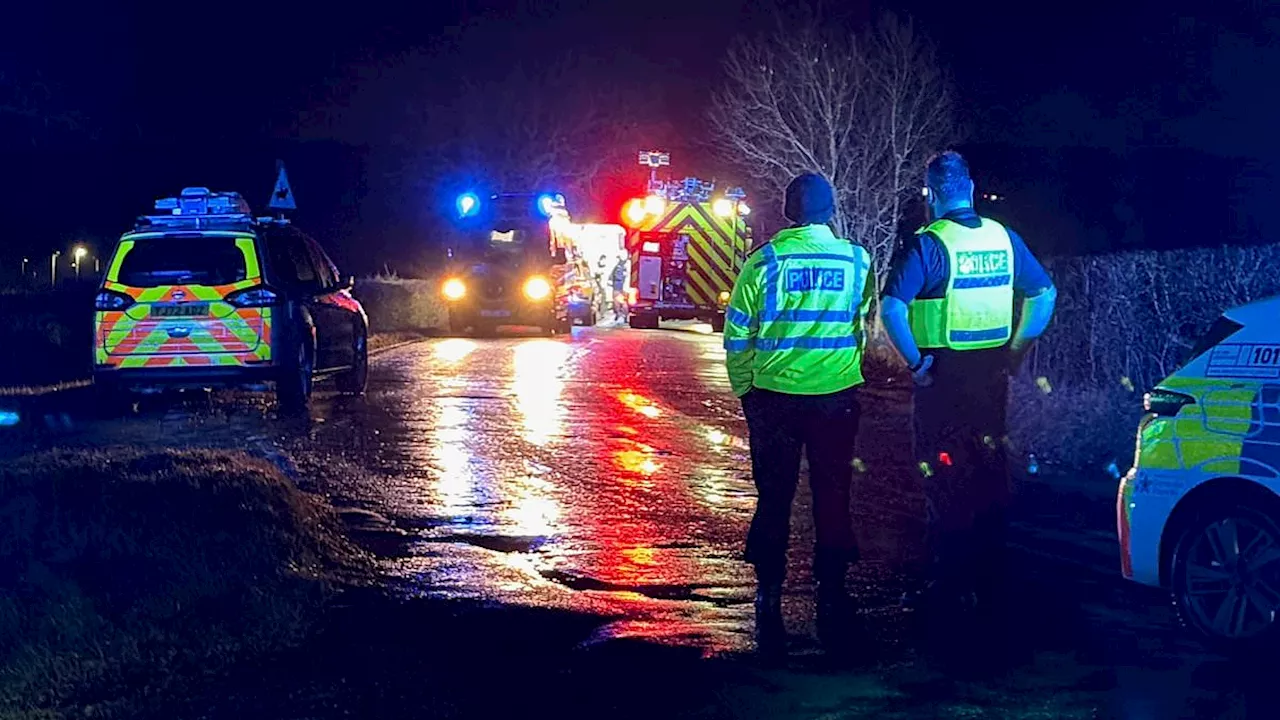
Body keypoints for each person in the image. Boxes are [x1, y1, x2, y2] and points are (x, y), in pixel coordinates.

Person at [879, 151, 1057, 615]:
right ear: (972, 188)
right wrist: (1016, 350)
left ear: (932, 195)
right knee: (989, 471)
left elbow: (892, 308)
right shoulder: (1005, 238)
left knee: (942, 474)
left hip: (944, 379)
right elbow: (1043, 294)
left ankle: (949, 584)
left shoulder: (929, 244)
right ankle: (993, 580)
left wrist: (916, 362)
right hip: (992, 375)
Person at [723, 173, 875, 655]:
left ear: (790, 211)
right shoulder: (857, 260)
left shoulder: (763, 262)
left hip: (774, 398)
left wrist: (747, 389)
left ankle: (769, 596)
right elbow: (863, 323)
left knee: (774, 497)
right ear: (830, 211)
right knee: (833, 495)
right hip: (836, 396)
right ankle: (831, 594)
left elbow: (738, 336)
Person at [610, 253, 628, 322]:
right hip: (625, 287)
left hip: (618, 286)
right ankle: (625, 316)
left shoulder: (618, 267)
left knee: (617, 301)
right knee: (624, 301)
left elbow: (616, 277)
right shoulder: (627, 266)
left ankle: (618, 314)